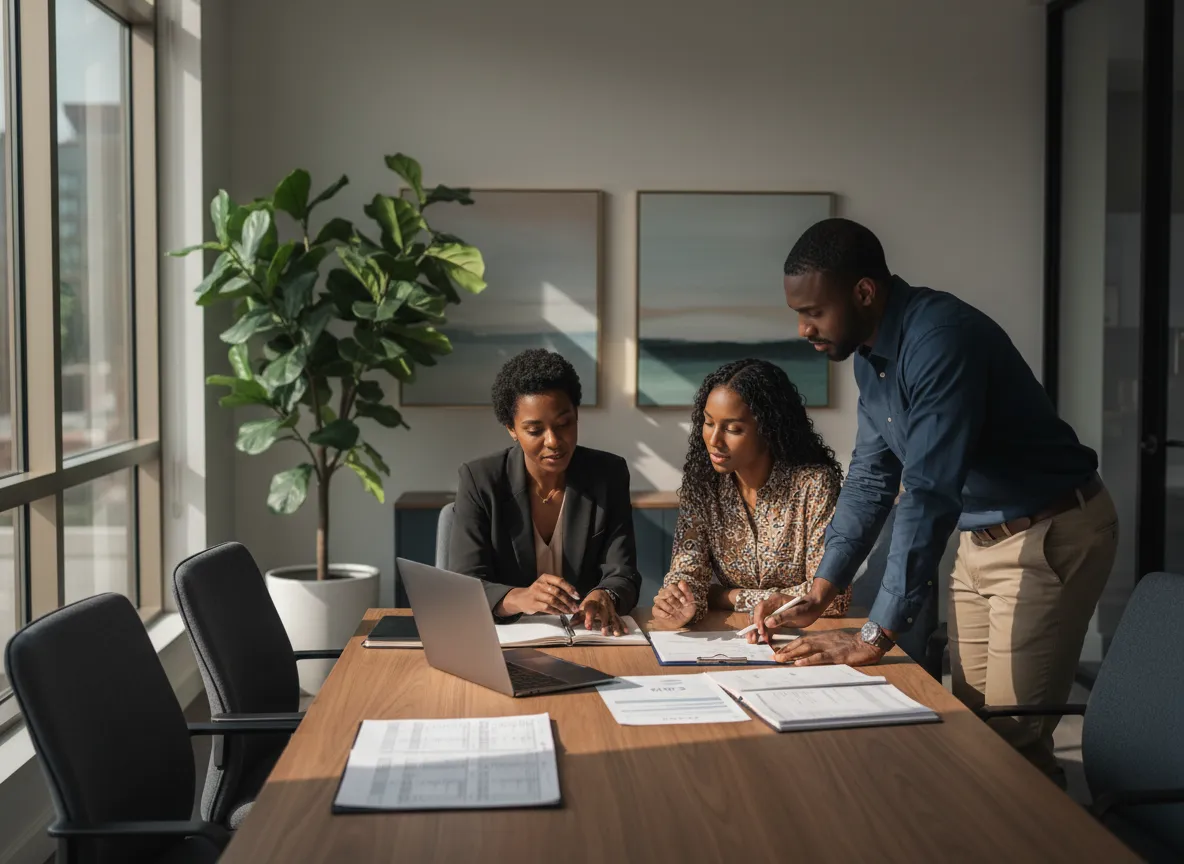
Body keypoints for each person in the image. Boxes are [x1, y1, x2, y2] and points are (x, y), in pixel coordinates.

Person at [766, 217, 1117, 785]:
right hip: (981, 539)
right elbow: (872, 478)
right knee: (976, 733)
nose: (804, 328)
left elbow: (928, 491)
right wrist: (820, 590)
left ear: (863, 292)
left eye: (814, 312)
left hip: (1050, 532)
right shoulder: (869, 354)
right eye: (798, 314)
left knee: (1012, 741)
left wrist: (873, 635)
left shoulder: (940, 338)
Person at [449, 348, 642, 636]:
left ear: (577, 416)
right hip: (505, 640)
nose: (553, 441)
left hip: (588, 637)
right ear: (512, 430)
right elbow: (465, 583)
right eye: (534, 430)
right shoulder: (481, 480)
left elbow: (623, 572)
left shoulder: (608, 475)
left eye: (564, 424)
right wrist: (518, 598)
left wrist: (606, 595)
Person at [651, 359, 851, 628]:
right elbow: (688, 576)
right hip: (730, 638)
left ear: (769, 429)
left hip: (808, 635)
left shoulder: (813, 486)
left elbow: (832, 598)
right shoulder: (702, 486)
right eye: (708, 423)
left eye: (733, 429)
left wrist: (724, 596)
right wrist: (679, 602)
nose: (714, 440)